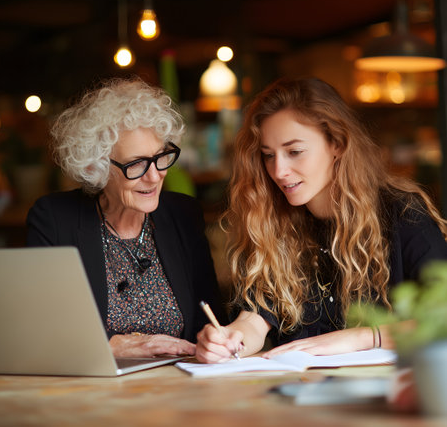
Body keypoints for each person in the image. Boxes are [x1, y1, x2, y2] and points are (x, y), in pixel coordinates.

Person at [195, 76, 447, 363]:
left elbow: (442, 319)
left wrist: (363, 337)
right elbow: (254, 320)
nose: (278, 170)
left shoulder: (402, 214)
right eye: (268, 155)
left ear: (337, 143)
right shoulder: (272, 219)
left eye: (295, 152)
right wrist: (229, 339)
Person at [26, 77, 225, 358]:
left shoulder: (183, 215)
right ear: (97, 166)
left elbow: (211, 317)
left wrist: (215, 342)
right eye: (136, 164)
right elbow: (36, 329)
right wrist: (110, 347)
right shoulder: (55, 220)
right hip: (94, 393)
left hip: (179, 387)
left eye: (160, 157)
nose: (155, 176)